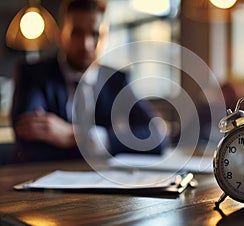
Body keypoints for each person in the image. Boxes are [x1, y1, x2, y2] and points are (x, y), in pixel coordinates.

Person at [10, 0, 167, 163]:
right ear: (60, 35)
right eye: (76, 33)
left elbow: (155, 137)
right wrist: (107, 144)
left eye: (94, 34)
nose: (86, 45)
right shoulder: (33, 75)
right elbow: (31, 140)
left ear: (104, 37)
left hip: (103, 182)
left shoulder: (116, 80)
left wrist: (74, 137)